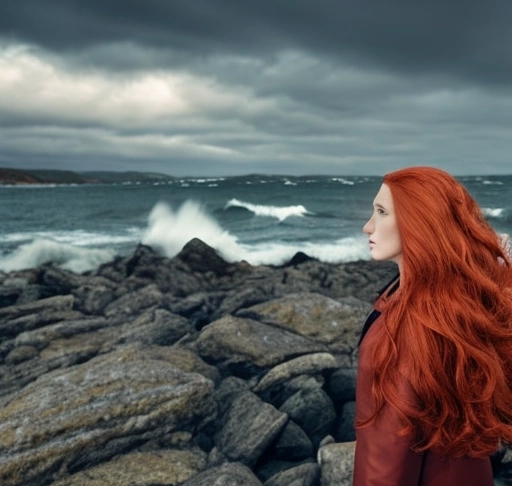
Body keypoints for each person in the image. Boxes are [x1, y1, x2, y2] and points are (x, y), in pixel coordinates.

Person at [353, 166, 512, 486]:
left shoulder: (404, 331)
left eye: (382, 212)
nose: (368, 226)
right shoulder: (461, 310)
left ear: (421, 221)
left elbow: (387, 461)